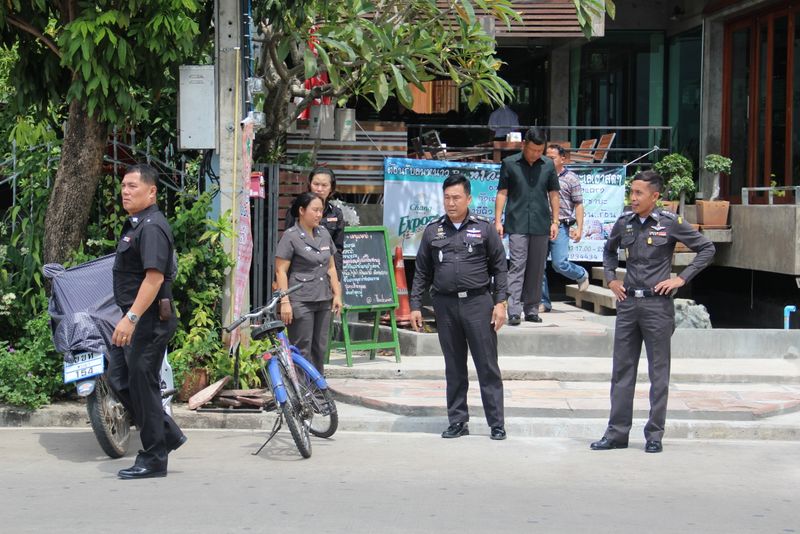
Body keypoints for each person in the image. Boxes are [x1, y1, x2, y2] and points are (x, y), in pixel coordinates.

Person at [590, 170, 715, 454]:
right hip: (628, 304)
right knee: (622, 370)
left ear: (655, 196)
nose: (633, 198)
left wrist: (681, 279)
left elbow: (706, 249)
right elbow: (608, 251)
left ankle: (654, 434)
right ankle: (616, 433)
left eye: (639, 193)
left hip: (657, 306)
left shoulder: (670, 222)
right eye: (631, 192)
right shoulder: (624, 222)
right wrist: (611, 279)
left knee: (659, 373)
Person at [410, 173, 509, 440]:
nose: (451, 203)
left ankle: (496, 423)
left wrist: (500, 303)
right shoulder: (433, 230)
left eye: (456, 197)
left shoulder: (484, 228)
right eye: (447, 198)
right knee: (454, 366)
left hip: (478, 304)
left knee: (487, 366)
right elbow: (422, 271)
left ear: (468, 199)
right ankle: (457, 420)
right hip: (445, 306)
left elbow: (500, 268)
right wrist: (416, 305)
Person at [109, 163, 185, 480]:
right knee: (119, 378)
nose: (125, 192)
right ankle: (167, 434)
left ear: (151, 192)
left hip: (148, 320)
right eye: (123, 186)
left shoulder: (152, 227)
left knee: (143, 386)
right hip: (136, 319)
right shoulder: (137, 224)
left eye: (133, 186)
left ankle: (154, 457)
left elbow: (153, 279)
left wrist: (131, 318)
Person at [494, 127, 560, 325]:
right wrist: (497, 220)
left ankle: (531, 309)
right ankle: (514, 310)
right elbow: (502, 192)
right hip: (517, 222)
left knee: (537, 268)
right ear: (524, 145)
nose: (535, 154)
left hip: (541, 222)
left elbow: (554, 194)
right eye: (532, 150)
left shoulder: (548, 165)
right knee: (517, 265)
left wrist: (555, 221)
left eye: (540, 150)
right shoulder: (509, 163)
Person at [276, 192, 343, 374]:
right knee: (302, 348)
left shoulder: (324, 233)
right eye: (315, 210)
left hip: (323, 298)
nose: (319, 215)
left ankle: (319, 387)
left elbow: (331, 267)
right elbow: (280, 271)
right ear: (301, 210)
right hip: (301, 299)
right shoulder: (291, 236)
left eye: (321, 210)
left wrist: (337, 294)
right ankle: (302, 387)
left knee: (320, 348)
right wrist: (285, 301)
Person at [540, 144, 590, 312]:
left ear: (563, 159)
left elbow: (579, 204)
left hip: (561, 225)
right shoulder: (540, 175)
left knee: (559, 263)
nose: (548, 160)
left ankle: (580, 273)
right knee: (538, 266)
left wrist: (579, 228)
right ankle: (543, 302)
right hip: (541, 225)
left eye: (552, 158)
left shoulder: (571, 178)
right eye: (546, 157)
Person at [284, 166, 345, 277]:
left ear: (331, 188)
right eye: (316, 184)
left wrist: (337, 278)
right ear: (309, 185)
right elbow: (287, 246)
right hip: (300, 273)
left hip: (325, 274)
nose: (319, 189)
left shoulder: (336, 213)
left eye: (324, 185)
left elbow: (338, 249)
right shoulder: (298, 208)